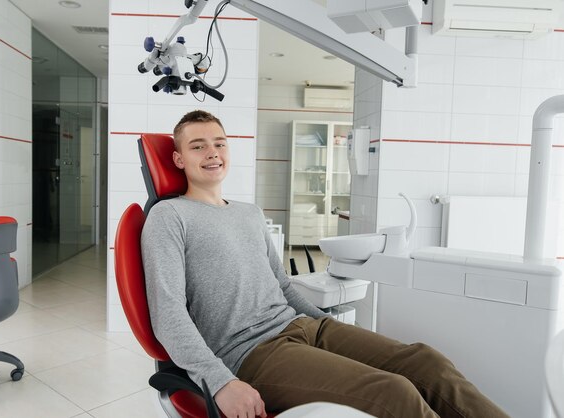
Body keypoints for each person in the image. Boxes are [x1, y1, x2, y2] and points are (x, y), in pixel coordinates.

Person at [141, 110, 509, 418]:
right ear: (178, 158)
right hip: (252, 353)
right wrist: (220, 381)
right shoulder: (170, 216)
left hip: (304, 327)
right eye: (198, 145)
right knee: (393, 392)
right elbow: (168, 315)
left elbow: (283, 286)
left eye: (219, 143)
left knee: (427, 362)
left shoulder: (249, 213)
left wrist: (328, 327)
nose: (212, 152)